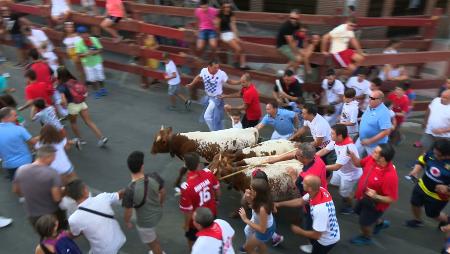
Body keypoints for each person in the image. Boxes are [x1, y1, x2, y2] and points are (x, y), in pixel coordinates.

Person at [348, 143, 398, 245]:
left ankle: (366, 237)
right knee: (358, 212)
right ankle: (380, 223)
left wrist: (376, 196)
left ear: (383, 158)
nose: (372, 153)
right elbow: (359, 164)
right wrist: (353, 156)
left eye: (375, 152)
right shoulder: (372, 159)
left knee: (364, 223)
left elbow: (391, 198)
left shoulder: (390, 176)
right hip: (363, 197)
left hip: (374, 204)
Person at [275, 175, 340, 254]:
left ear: (309, 188)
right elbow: (300, 201)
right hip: (328, 232)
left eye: (304, 183)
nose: (302, 183)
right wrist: (278, 204)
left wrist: (300, 231)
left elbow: (317, 235)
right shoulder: (319, 190)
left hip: (327, 240)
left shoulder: (320, 209)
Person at [66, 179, 126, 254]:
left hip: (103, 251)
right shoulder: (103, 198)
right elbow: (120, 194)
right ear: (85, 191)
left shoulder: (74, 219)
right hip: (119, 238)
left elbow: (74, 233)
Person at [122, 151, 166, 254]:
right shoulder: (154, 177)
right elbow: (163, 191)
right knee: (153, 237)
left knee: (153, 244)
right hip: (158, 213)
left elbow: (128, 211)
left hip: (145, 222)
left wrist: (127, 221)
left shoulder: (129, 190)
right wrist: (161, 203)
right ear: (142, 166)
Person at [12, 145, 66, 229]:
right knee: (58, 234)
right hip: (51, 214)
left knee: (44, 235)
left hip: (32, 214)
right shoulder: (52, 173)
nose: (54, 159)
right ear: (48, 157)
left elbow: (16, 190)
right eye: (54, 157)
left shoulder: (21, 169)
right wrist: (63, 191)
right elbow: (57, 198)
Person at [56, 67, 108, 147]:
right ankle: (102, 137)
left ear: (59, 75)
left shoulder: (61, 86)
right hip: (82, 103)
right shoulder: (73, 80)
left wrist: (62, 105)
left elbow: (64, 101)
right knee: (89, 122)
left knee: (73, 123)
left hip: (72, 106)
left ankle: (80, 139)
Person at [179, 152, 220, 251]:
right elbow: (218, 190)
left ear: (186, 165)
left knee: (192, 240)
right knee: (211, 235)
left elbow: (188, 211)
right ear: (198, 164)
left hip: (197, 221)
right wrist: (217, 200)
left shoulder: (186, 187)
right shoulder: (208, 174)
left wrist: (186, 225)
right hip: (211, 213)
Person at [316, 124, 362, 214]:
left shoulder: (348, 148)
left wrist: (318, 167)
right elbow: (325, 150)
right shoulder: (335, 140)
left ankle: (349, 207)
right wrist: (312, 157)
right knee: (333, 182)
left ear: (340, 136)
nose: (330, 135)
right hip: (341, 169)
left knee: (345, 194)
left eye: (332, 134)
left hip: (350, 174)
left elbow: (336, 167)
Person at [405, 139, 450, 228]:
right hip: (422, 186)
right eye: (435, 153)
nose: (435, 156)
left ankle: (446, 220)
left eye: (439, 155)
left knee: (432, 214)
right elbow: (422, 161)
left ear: (448, 155)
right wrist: (415, 170)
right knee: (415, 203)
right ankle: (417, 220)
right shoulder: (432, 153)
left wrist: (447, 188)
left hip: (438, 196)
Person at [186, 60, 238, 131]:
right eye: (215, 68)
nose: (217, 69)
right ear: (209, 67)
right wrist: (191, 84)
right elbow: (198, 77)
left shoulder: (221, 73)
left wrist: (239, 82)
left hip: (217, 98)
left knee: (207, 116)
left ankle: (213, 131)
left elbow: (229, 81)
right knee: (215, 116)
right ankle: (217, 129)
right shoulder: (204, 71)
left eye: (218, 67)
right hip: (209, 97)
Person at [238, 178, 276, 254]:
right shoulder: (261, 198)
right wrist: (248, 198)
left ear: (255, 192)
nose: (249, 190)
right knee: (260, 243)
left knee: (248, 249)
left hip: (265, 231)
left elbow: (262, 229)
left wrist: (246, 220)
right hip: (265, 226)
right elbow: (253, 206)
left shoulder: (262, 209)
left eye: (251, 189)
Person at [0, 107, 34, 180]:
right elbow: (32, 142)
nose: (17, 117)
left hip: (10, 165)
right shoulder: (19, 129)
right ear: (7, 117)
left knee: (20, 185)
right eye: (15, 115)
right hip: (26, 161)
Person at [356, 90, 392, 157]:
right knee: (354, 156)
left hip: (374, 145)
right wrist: (357, 120)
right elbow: (366, 118)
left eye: (372, 98)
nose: (369, 100)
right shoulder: (370, 106)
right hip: (361, 139)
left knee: (374, 162)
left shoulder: (384, 112)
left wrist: (369, 141)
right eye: (369, 97)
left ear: (380, 100)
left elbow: (386, 131)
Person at [75, 26, 107, 99]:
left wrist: (95, 52)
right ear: (79, 35)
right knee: (92, 79)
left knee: (100, 77)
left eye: (86, 33)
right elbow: (79, 55)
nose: (85, 35)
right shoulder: (78, 44)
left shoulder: (94, 39)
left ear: (88, 33)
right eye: (82, 34)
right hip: (88, 64)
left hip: (97, 62)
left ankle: (103, 89)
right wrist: (86, 54)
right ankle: (96, 91)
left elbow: (101, 49)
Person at [216, 0, 247, 69]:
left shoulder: (231, 14)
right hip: (224, 34)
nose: (227, 8)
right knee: (238, 49)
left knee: (242, 47)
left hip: (230, 33)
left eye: (228, 7)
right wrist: (220, 35)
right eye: (225, 7)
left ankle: (243, 65)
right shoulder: (219, 15)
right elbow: (217, 27)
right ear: (222, 7)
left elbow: (234, 26)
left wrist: (236, 36)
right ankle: (235, 62)